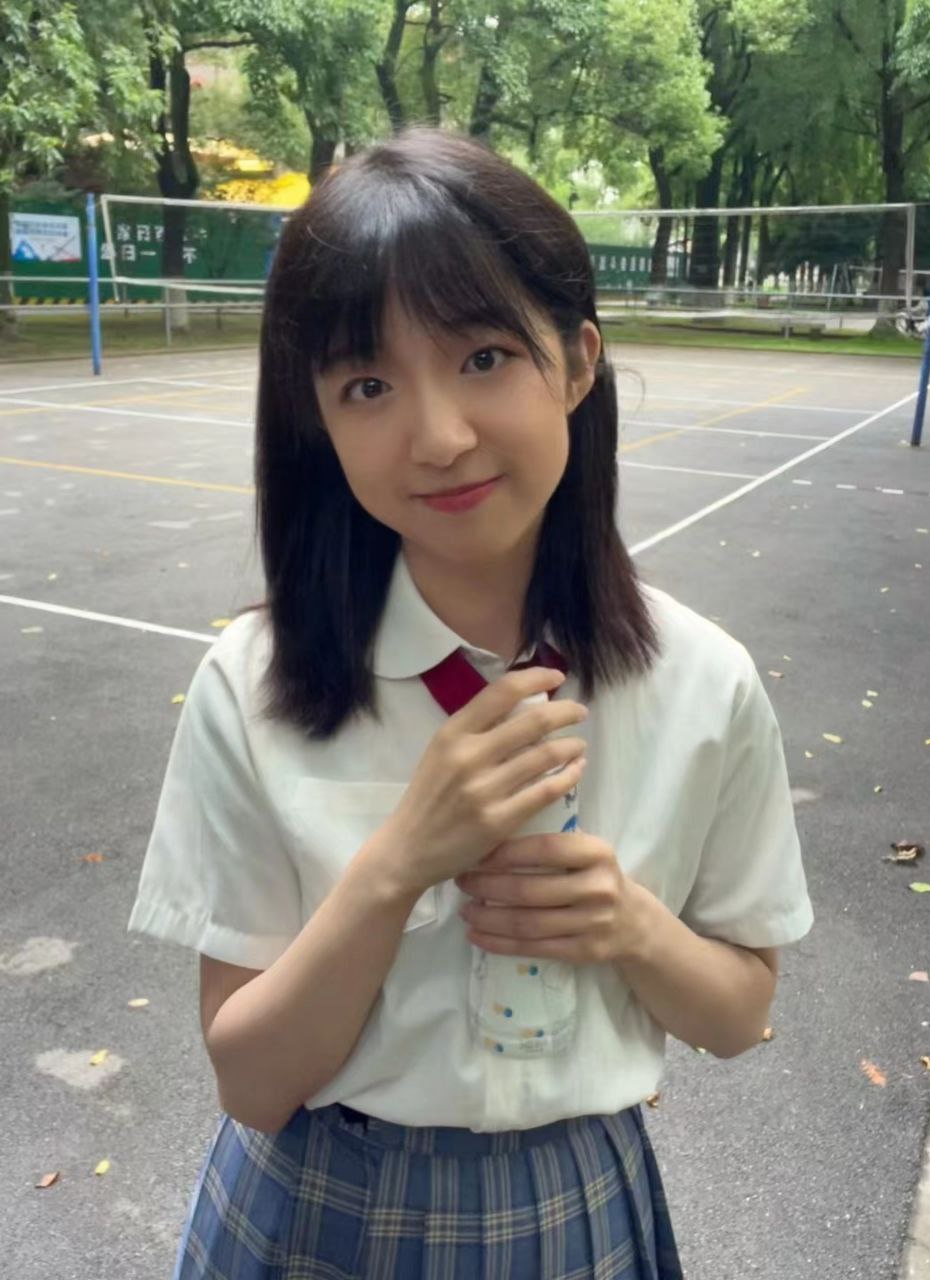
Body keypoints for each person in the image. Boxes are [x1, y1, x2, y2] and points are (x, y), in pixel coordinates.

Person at [128, 126, 814, 1279]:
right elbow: (249, 1079)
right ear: (319, 421)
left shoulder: (703, 682)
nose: (439, 437)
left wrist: (627, 922)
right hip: (311, 1203)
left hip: (574, 1202)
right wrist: (398, 863)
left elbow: (741, 1015)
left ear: (579, 361)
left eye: (485, 356)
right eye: (368, 385)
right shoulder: (253, 685)